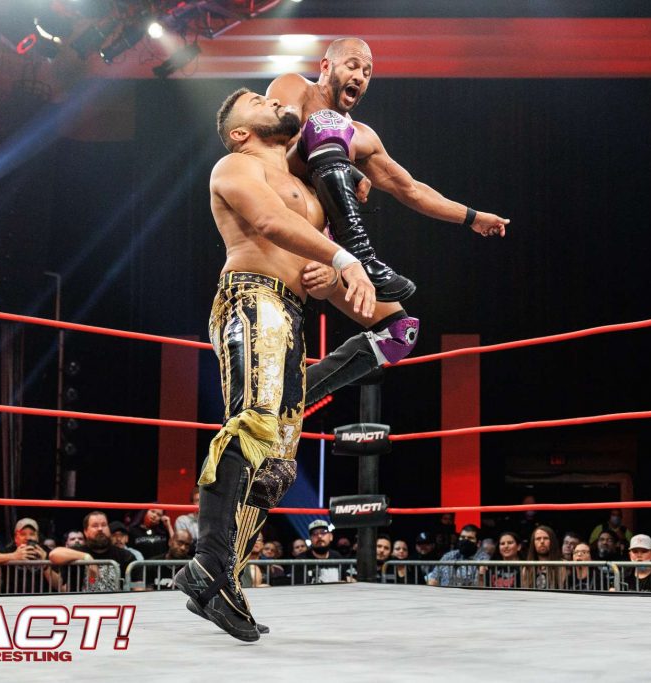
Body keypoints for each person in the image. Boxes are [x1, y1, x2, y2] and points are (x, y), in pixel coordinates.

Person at [173, 88, 375, 644]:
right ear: (239, 132)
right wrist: (342, 258)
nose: (270, 99)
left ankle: (226, 580)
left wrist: (327, 273)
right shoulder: (236, 165)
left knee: (277, 464)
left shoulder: (301, 183)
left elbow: (316, 261)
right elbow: (266, 222)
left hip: (291, 311)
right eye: (256, 100)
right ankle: (208, 564)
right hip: (251, 296)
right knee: (253, 423)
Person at [269, 37, 509, 408]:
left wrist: (473, 217)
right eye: (352, 65)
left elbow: (410, 189)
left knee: (398, 333)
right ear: (326, 66)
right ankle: (361, 256)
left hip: (326, 242)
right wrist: (344, 166)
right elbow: (269, 146)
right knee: (325, 126)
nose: (360, 76)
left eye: (367, 72)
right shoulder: (293, 87)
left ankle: (290, 401)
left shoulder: (362, 136)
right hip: (281, 219)